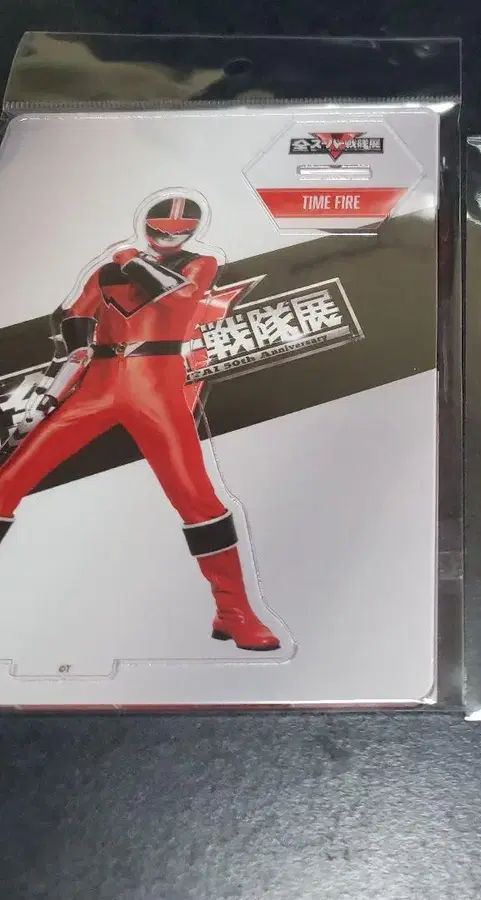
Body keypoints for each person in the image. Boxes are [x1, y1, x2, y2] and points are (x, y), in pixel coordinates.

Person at [0, 192, 280, 652]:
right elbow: (77, 317)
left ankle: (235, 613)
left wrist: (130, 259)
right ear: (146, 224)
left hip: (156, 389)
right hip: (98, 384)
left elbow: (177, 298)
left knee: (197, 500)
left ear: (193, 231)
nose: (168, 238)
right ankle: (234, 613)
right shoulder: (106, 271)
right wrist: (56, 382)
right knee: (9, 479)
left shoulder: (200, 264)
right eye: (160, 231)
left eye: (179, 232)